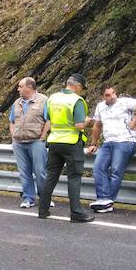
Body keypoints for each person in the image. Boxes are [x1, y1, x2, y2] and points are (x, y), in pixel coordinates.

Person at [37, 73, 93, 222]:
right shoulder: (77, 100)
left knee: (51, 176)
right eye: (82, 88)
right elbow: (79, 125)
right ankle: (76, 213)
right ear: (78, 86)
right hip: (71, 142)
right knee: (74, 177)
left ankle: (42, 210)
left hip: (54, 141)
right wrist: (88, 121)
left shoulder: (52, 98)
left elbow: (48, 119)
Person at [85, 85, 136, 213]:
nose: (112, 96)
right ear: (103, 96)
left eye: (113, 93)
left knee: (115, 169)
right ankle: (103, 198)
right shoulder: (100, 107)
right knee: (98, 168)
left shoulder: (124, 102)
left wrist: (135, 121)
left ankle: (108, 200)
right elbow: (97, 125)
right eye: (108, 95)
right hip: (109, 141)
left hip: (126, 140)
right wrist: (93, 143)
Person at [9, 77, 50, 208]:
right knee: (24, 172)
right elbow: (11, 121)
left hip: (36, 141)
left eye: (20, 86)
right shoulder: (16, 103)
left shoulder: (44, 100)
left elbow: (48, 120)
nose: (18, 89)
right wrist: (13, 137)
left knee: (40, 171)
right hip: (19, 142)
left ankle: (45, 198)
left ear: (29, 87)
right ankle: (28, 198)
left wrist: (43, 137)